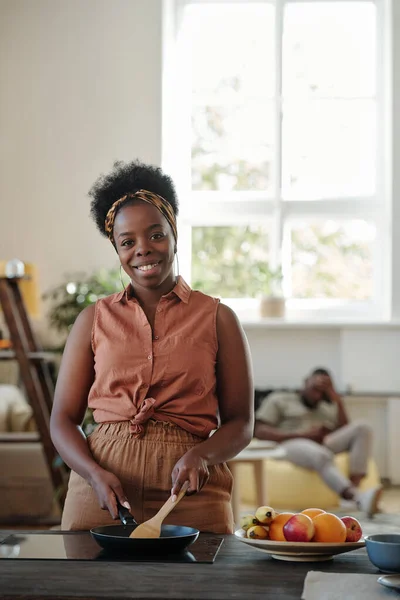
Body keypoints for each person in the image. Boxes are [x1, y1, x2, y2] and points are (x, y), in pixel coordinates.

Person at [50, 160, 254, 533]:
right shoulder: (91, 320)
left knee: (202, 589)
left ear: (174, 235)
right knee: (86, 589)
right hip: (102, 490)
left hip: (190, 491)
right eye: (128, 242)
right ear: (117, 249)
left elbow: (241, 422)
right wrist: (94, 474)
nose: (143, 249)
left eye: (156, 235)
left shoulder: (218, 317)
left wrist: (202, 455)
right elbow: (63, 420)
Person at [254, 368, 382, 517]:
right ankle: (356, 497)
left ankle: (355, 491)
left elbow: (345, 429)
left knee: (363, 428)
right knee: (321, 454)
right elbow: (259, 431)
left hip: (322, 442)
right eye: (315, 388)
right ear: (305, 382)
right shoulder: (280, 399)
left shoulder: (326, 406)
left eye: (323, 392)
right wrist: (304, 434)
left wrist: (337, 400)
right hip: (290, 443)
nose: (317, 395)